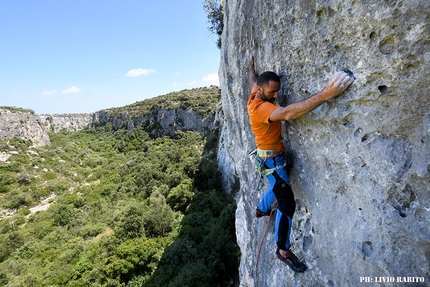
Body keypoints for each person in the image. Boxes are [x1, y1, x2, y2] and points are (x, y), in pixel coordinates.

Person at [247, 56, 354, 272]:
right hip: (272, 162)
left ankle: (261, 209)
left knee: (278, 185)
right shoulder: (259, 108)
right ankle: (282, 250)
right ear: (261, 91)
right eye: (273, 93)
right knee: (287, 204)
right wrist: (327, 93)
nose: (277, 96)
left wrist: (251, 67)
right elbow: (287, 113)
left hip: (270, 158)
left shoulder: (255, 92)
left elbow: (252, 80)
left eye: (278, 91)